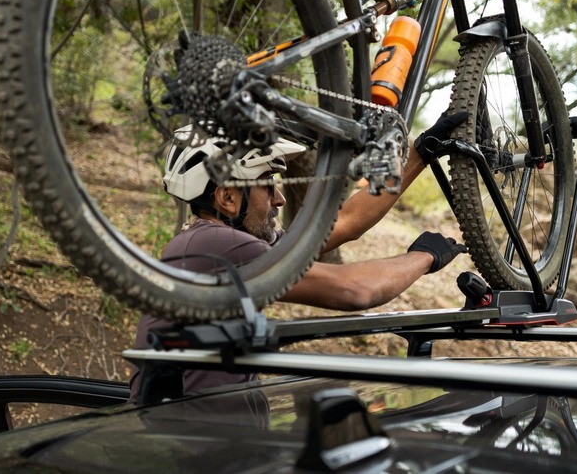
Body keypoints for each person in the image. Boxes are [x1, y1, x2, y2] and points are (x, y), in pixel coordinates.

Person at [130, 114, 468, 401]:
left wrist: (419, 153)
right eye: (267, 183)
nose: (279, 199)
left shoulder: (215, 243)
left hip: (209, 444)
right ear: (228, 198)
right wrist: (424, 257)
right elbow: (354, 289)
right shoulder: (215, 244)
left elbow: (345, 224)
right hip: (196, 452)